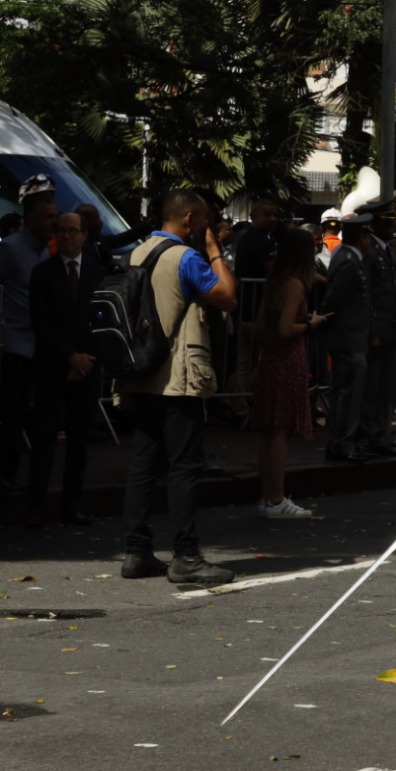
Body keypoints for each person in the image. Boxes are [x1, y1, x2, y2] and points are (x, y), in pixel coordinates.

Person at [118, 189, 238, 585]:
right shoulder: (186, 257)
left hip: (140, 372)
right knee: (184, 465)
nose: (205, 225)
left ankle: (136, 552)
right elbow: (227, 297)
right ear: (189, 219)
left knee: (143, 463)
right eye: (203, 219)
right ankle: (186, 556)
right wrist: (215, 250)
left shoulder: (135, 254)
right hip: (176, 375)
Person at [24, 211, 103, 526]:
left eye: (73, 230)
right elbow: (40, 320)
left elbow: (103, 319)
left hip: (87, 366)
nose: (68, 236)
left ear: (85, 234)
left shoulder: (97, 271)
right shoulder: (43, 273)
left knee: (79, 439)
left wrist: (86, 358)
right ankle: (35, 506)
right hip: (52, 364)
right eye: (62, 231)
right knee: (44, 437)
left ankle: (72, 505)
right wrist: (70, 356)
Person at [249, 228, 326, 518]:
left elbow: (261, 325)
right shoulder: (294, 284)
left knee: (270, 431)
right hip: (287, 358)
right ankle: (277, 498)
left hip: (270, 357)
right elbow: (285, 329)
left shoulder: (275, 281)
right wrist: (310, 324)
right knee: (281, 429)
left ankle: (267, 497)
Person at [0, 175, 59, 491]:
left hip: (42, 344)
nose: (53, 223)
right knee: (12, 411)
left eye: (55, 216)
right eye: (47, 218)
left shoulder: (49, 251)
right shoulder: (10, 249)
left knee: (37, 414)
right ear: (30, 219)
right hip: (15, 345)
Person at [356, 196, 396, 456]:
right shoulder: (369, 251)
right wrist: (373, 331)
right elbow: (366, 293)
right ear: (376, 223)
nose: (394, 225)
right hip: (378, 328)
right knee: (373, 386)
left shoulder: (390, 249)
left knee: (389, 385)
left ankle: (382, 432)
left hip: (394, 325)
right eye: (389, 222)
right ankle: (370, 435)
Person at [321, 210, 372, 462]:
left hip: (350, 334)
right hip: (347, 335)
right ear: (361, 236)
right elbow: (334, 297)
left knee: (346, 391)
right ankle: (342, 442)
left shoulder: (347, 256)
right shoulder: (349, 260)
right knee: (347, 392)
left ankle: (342, 441)